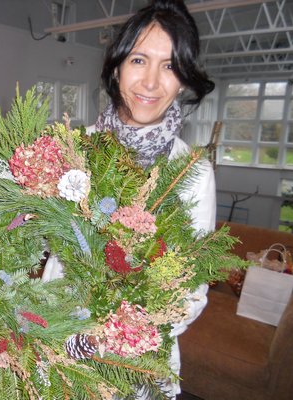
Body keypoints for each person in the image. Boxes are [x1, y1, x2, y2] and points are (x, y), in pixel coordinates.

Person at [43, 0, 216, 398]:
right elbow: (33, 238)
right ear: (117, 66)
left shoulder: (194, 173)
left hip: (135, 363)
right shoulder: (72, 149)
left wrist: (125, 335)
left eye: (170, 66)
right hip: (55, 337)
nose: (151, 82)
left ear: (185, 80)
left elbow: (192, 289)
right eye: (139, 60)